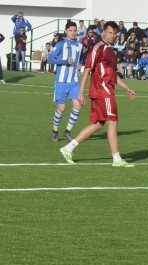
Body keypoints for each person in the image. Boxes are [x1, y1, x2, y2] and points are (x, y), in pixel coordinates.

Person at [59, 21, 136, 167]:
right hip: (103, 92)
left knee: (98, 124)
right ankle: (117, 159)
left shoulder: (110, 50)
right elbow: (87, 69)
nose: (112, 36)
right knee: (112, 122)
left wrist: (127, 87)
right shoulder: (98, 48)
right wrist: (81, 92)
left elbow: (112, 75)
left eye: (115, 33)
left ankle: (68, 148)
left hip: (105, 91)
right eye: (110, 33)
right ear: (103, 33)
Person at [48, 22, 84, 142]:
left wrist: (80, 66)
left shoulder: (80, 45)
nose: (73, 33)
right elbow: (50, 59)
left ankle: (67, 131)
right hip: (61, 81)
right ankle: (55, 131)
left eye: (74, 30)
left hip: (74, 81)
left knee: (78, 105)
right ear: (66, 31)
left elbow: (80, 61)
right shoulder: (61, 44)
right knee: (62, 109)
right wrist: (64, 61)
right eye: (71, 30)